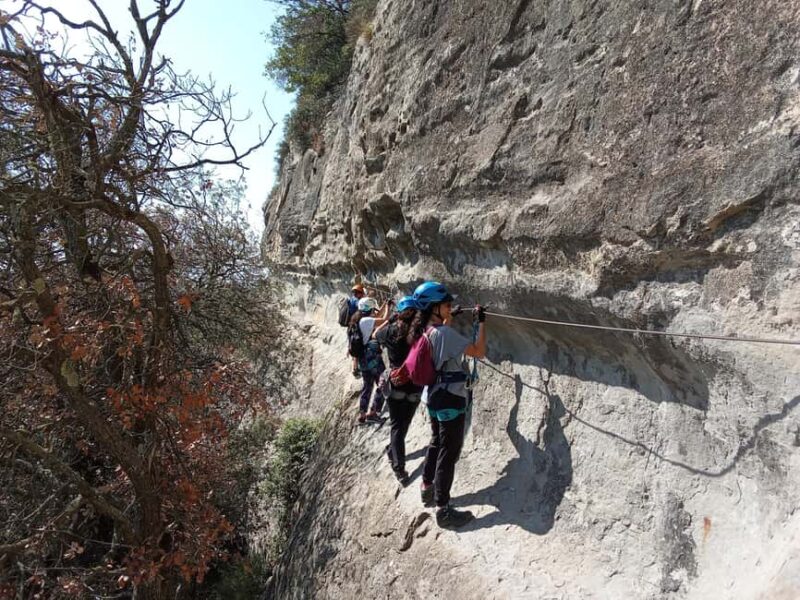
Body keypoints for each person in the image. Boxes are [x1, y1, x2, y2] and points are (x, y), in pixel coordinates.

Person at [411, 281, 487, 529]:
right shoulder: (443, 334)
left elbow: (442, 340)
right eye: (446, 304)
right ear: (435, 308)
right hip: (450, 398)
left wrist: (449, 319)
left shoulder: (427, 330)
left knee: (436, 441)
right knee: (449, 451)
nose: (450, 306)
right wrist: (481, 322)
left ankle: (427, 487)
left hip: (433, 395)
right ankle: (443, 509)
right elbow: (478, 351)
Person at [373, 296, 422, 485]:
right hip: (415, 384)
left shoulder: (388, 331)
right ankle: (393, 452)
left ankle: (399, 468)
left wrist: (390, 319)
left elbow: (375, 334)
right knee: (404, 424)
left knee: (396, 426)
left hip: (395, 383)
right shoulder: (420, 332)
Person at [351, 296, 391, 423]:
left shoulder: (356, 320)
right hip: (371, 356)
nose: (374, 311)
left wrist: (384, 305)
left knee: (367, 385)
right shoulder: (366, 321)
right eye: (373, 309)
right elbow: (383, 319)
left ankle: (362, 414)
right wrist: (389, 307)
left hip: (362, 358)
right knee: (383, 381)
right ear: (369, 309)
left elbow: (375, 317)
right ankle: (373, 412)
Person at [348, 285, 366, 377]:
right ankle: (355, 368)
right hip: (356, 325)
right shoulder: (357, 301)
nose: (363, 294)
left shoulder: (351, 299)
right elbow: (363, 309)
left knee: (353, 344)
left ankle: (354, 367)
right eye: (362, 293)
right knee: (357, 345)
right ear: (359, 293)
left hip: (351, 324)